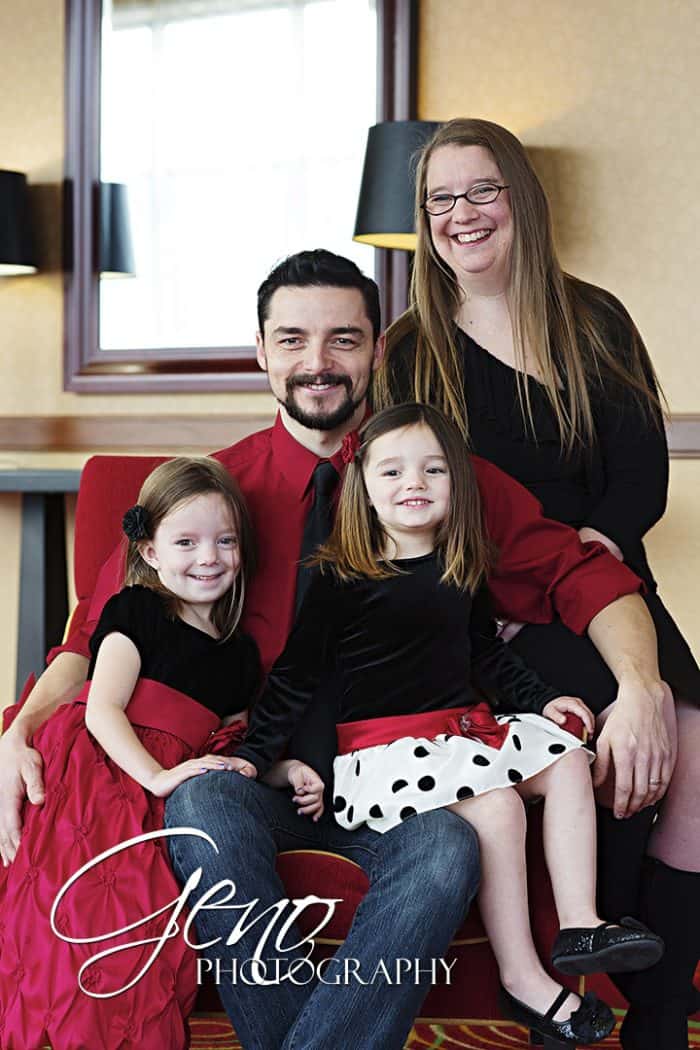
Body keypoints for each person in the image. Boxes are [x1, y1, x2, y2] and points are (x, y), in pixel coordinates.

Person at [0, 251, 671, 1049]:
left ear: (377, 350)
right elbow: (95, 632)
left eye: (342, 340)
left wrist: (641, 686)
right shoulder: (214, 495)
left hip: (405, 780)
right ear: (261, 351)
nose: (317, 364)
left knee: (449, 847)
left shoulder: (438, 477)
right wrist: (19, 728)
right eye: (292, 340)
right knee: (202, 808)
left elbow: (584, 577)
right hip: (260, 771)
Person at [376, 117, 700, 1050]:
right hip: (490, 598)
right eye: (441, 199)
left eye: (482, 191)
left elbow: (642, 475)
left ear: (522, 198)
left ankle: (663, 1017)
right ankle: (598, 963)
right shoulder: (410, 347)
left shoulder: (593, 318)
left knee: (690, 743)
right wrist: (492, 600)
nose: (461, 214)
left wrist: (586, 559)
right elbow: (407, 499)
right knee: (602, 728)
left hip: (599, 576)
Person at [231, 401, 666, 1045]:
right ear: (364, 492)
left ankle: (581, 923)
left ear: (456, 485)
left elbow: (486, 654)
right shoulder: (342, 577)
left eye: (433, 470)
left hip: (461, 732)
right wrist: (254, 751)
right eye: (393, 473)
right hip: (385, 751)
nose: (414, 484)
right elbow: (296, 676)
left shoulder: (462, 563)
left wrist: (543, 700)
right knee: (497, 809)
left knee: (569, 757)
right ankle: (522, 978)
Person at [0, 457, 270, 1049]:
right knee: (84, 915)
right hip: (102, 770)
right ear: (149, 552)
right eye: (186, 542)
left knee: (145, 932)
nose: (209, 557)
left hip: (166, 784)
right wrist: (156, 775)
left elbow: (232, 738)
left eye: (225, 541)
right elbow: (101, 708)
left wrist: (272, 766)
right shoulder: (136, 610)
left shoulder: (239, 654)